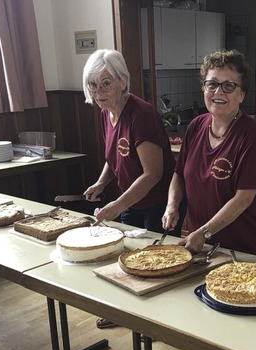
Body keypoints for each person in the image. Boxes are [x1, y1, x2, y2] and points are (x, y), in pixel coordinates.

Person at [82, 48, 177, 328]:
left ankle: (158, 323)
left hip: (157, 204)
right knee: (127, 259)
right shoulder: (106, 113)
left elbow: (152, 174)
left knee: (156, 264)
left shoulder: (141, 115)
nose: (99, 92)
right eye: (93, 84)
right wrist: (102, 182)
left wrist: (116, 205)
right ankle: (126, 313)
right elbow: (114, 157)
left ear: (123, 81)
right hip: (130, 201)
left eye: (106, 83)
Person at [162, 49, 256, 257]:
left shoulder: (253, 136)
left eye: (229, 86)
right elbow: (179, 174)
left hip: (240, 247)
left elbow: (244, 197)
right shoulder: (195, 126)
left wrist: (204, 232)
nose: (218, 92)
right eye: (212, 84)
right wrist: (172, 205)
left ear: (242, 94)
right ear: (204, 88)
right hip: (198, 243)